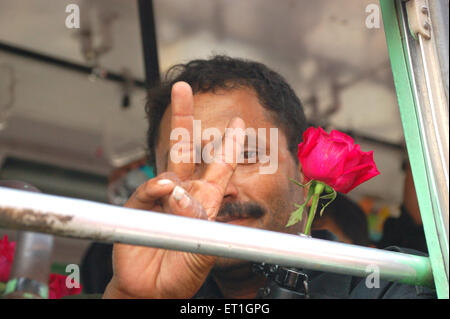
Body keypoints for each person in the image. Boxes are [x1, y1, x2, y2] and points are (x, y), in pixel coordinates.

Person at [102, 56, 435, 299]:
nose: (216, 189)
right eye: (187, 165)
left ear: (302, 168)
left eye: (245, 156)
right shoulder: (134, 288)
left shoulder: (394, 285)